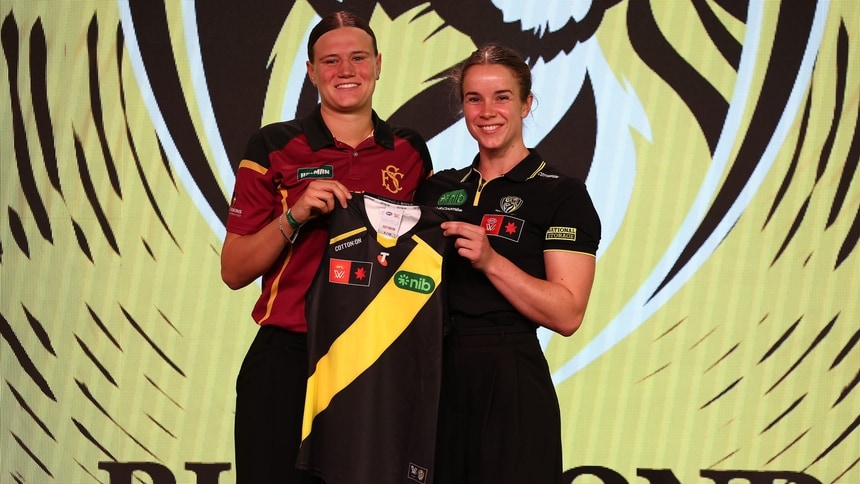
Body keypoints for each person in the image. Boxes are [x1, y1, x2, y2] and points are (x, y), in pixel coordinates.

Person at [220, 11, 433, 483]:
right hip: (288, 356)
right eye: (330, 61)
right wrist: (293, 215)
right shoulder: (273, 146)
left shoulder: (410, 151)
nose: (346, 70)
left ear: (378, 64)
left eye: (358, 57)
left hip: (377, 361)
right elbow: (234, 271)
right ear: (311, 72)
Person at [415, 44, 601, 484]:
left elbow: (568, 313)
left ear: (526, 103)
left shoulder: (561, 193)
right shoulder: (436, 189)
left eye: (501, 97)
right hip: (433, 376)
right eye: (473, 98)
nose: (487, 111)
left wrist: (491, 260)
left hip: (509, 373)